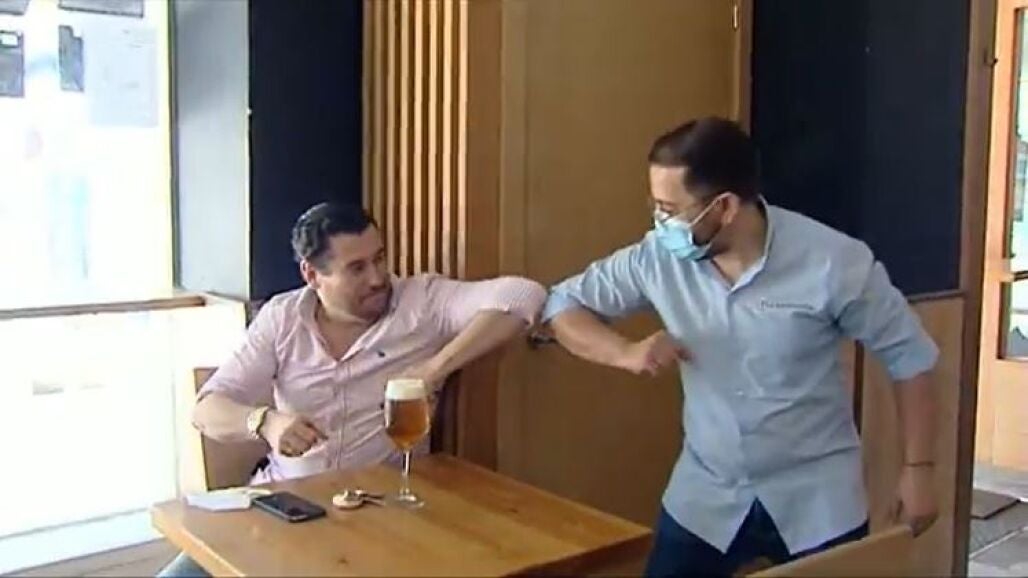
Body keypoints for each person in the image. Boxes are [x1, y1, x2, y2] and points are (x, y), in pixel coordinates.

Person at [542, 117, 939, 577]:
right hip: (706, 495)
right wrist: (623, 352)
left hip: (817, 500)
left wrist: (919, 469)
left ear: (726, 206)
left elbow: (910, 357)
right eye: (655, 207)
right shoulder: (656, 258)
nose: (660, 223)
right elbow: (561, 304)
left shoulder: (834, 262)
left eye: (670, 209)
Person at [158, 202, 546, 577]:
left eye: (380, 258)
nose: (377, 278)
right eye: (357, 268)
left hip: (380, 513)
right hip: (284, 505)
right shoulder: (281, 318)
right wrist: (265, 422)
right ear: (312, 275)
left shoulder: (423, 303)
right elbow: (206, 410)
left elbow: (525, 296)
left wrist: (433, 369)